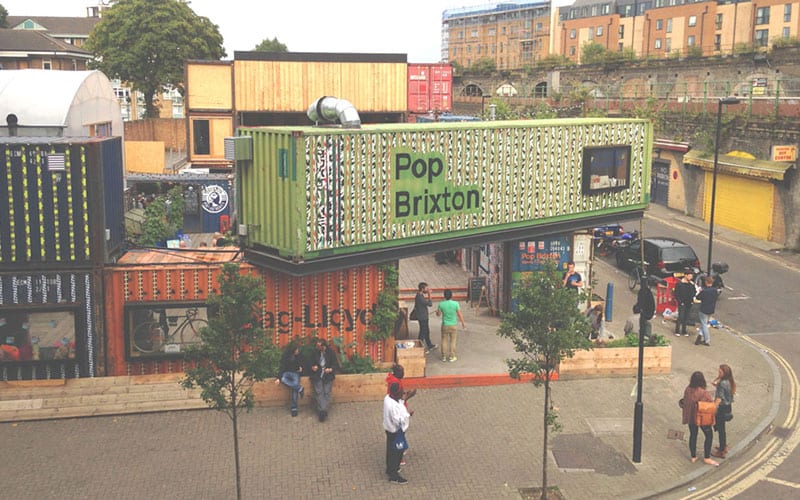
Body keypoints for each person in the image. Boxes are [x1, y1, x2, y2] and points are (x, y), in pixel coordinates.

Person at [681, 371, 719, 466]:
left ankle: (693, 456)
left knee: (693, 435)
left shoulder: (687, 390)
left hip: (691, 418)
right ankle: (707, 458)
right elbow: (710, 405)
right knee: (708, 436)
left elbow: (684, 402)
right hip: (702, 418)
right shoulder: (704, 393)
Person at [385, 364, 416, 466]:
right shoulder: (395, 384)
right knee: (399, 439)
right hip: (395, 427)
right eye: (402, 372)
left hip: (399, 409)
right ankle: (399, 458)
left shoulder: (393, 382)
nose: (403, 374)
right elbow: (399, 420)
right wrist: (407, 413)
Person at [383, 382, 411, 484]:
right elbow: (398, 421)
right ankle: (393, 475)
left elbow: (399, 403)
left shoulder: (388, 398)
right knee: (397, 452)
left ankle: (390, 469)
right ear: (396, 393)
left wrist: (405, 399)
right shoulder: (392, 406)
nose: (402, 392)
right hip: (395, 431)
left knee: (390, 450)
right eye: (401, 391)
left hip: (390, 430)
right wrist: (408, 414)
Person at [308, 338, 339, 422]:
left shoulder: (331, 353)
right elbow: (310, 363)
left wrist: (330, 369)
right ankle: (323, 411)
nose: (317, 347)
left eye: (319, 346)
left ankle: (322, 410)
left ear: (323, 346)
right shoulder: (315, 353)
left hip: (327, 375)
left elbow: (335, 365)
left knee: (326, 392)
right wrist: (312, 367)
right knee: (319, 392)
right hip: (317, 374)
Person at [711, 364, 736, 458]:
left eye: (720, 372)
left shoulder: (722, 383)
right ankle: (723, 446)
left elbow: (719, 398)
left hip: (721, 409)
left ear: (725, 373)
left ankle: (721, 451)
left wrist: (713, 409)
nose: (718, 373)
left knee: (720, 428)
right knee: (722, 429)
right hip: (728, 407)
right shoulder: (729, 381)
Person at [274, 344, 305, 417]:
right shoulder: (286, 356)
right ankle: (300, 388)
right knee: (283, 379)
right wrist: (278, 378)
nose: (298, 351)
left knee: (294, 389)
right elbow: (282, 367)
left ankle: (294, 408)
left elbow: (303, 364)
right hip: (287, 372)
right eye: (296, 350)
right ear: (293, 351)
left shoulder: (299, 356)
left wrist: (301, 369)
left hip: (295, 373)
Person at [436, 289, 466, 363]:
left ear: (444, 296)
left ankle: (443, 356)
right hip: (453, 325)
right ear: (451, 295)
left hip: (445, 325)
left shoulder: (441, 304)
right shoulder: (455, 304)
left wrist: (437, 312)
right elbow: (459, 314)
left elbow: (438, 314)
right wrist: (463, 323)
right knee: (453, 341)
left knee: (444, 340)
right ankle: (452, 356)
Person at [414, 282, 436, 353]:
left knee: (426, 331)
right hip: (422, 317)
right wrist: (429, 294)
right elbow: (430, 304)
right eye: (426, 288)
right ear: (422, 289)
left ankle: (429, 344)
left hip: (423, 316)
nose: (427, 289)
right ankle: (419, 346)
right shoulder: (420, 297)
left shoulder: (419, 295)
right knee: (423, 332)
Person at [696, 276, 718, 346]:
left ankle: (707, 340)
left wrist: (700, 292)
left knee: (704, 324)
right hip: (711, 310)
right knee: (704, 324)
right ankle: (699, 336)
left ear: (706, 282)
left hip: (703, 310)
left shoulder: (704, 291)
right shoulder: (715, 290)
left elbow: (698, 297)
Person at [673, 271, 696, 336]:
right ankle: (677, 331)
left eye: (691, 276)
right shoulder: (679, 284)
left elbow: (694, 292)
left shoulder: (691, 284)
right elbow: (676, 294)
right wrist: (680, 301)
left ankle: (684, 330)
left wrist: (692, 299)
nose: (690, 277)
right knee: (681, 316)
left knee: (686, 317)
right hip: (682, 303)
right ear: (685, 275)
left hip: (689, 302)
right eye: (689, 276)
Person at [635, 276, 657, 344]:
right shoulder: (648, 292)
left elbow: (640, 303)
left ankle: (643, 338)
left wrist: (637, 309)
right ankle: (647, 338)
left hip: (645, 313)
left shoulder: (642, 292)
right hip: (649, 312)